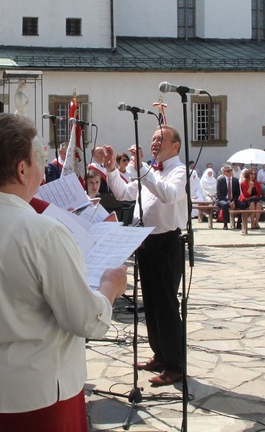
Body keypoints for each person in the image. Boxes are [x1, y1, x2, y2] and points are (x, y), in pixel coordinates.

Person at [0, 114, 127, 430]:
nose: (42, 167)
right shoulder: (44, 232)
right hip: (27, 398)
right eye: (38, 158)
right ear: (22, 170)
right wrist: (109, 286)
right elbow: (87, 321)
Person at [102, 126, 188, 387]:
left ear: (175, 146)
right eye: (152, 138)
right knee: (149, 303)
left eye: (160, 139)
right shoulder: (149, 172)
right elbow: (124, 194)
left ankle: (175, 364)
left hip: (167, 242)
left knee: (166, 305)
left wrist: (141, 170)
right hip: (145, 241)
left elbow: (169, 195)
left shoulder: (179, 171)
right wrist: (111, 170)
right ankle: (160, 354)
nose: (154, 143)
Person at [215, 164, 244, 229]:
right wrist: (228, 202)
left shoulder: (235, 180)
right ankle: (225, 224)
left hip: (233, 199)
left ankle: (239, 223)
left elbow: (237, 193)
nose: (230, 172)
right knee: (225, 205)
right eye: (228, 171)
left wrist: (233, 201)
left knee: (242, 205)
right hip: (222, 199)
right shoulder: (220, 180)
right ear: (224, 172)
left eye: (231, 170)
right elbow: (219, 194)